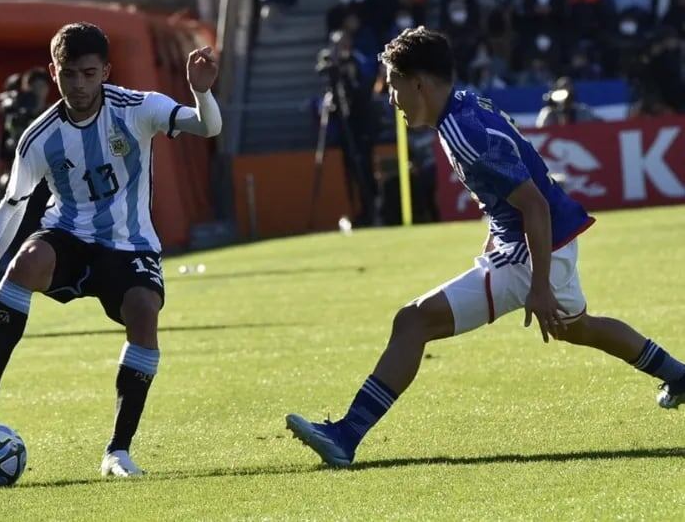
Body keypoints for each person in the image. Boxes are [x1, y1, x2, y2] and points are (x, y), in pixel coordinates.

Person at [285, 27, 685, 468]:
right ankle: (678, 375)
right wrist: (502, 236)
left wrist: (538, 286)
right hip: (550, 240)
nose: (392, 98)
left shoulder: (461, 130)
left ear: (418, 82)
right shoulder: (464, 105)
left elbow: (532, 204)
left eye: (394, 85)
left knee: (413, 321)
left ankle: (346, 434)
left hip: (534, 248)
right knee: (579, 328)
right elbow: (514, 189)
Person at [0, 22, 222, 477]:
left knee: (144, 312)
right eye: (70, 74)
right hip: (68, 235)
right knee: (27, 263)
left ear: (106, 71)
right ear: (54, 73)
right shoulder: (40, 136)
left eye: (90, 74)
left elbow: (207, 128)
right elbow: (13, 203)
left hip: (129, 244)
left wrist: (201, 93)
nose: (80, 85)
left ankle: (118, 451)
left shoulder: (137, 108)